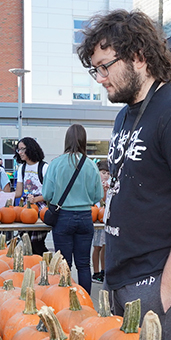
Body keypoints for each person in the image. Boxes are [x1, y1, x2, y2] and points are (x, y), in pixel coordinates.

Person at [78, 9, 171, 340]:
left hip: (161, 274)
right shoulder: (126, 114)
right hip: (124, 272)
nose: (100, 78)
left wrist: (166, 292)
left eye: (105, 66)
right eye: (95, 69)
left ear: (138, 56)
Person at [43, 124, 103, 292]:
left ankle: (66, 302)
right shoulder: (90, 165)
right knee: (84, 265)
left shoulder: (56, 164)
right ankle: (85, 304)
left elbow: (47, 193)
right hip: (85, 216)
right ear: (84, 140)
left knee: (64, 264)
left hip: (63, 217)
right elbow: (98, 195)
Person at [14, 136, 49, 255]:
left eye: (23, 149)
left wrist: (36, 199)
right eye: (18, 150)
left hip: (41, 208)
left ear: (31, 149)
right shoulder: (21, 169)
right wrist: (2, 194)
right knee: (26, 242)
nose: (20, 152)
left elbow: (50, 193)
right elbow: (18, 193)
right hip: (26, 207)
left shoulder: (44, 167)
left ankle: (47, 264)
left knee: (37, 243)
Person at [92, 164, 110, 283]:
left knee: (105, 245)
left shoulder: (109, 185)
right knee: (97, 246)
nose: (106, 175)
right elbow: (99, 199)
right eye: (103, 172)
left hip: (105, 216)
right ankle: (96, 272)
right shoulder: (94, 183)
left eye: (108, 173)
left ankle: (104, 270)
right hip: (97, 216)